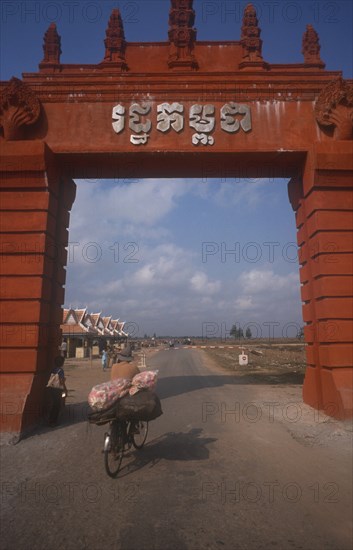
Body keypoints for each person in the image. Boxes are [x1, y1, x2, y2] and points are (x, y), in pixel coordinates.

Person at [47, 356, 68, 427]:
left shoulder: (53, 369)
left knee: (53, 404)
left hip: (51, 388)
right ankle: (53, 421)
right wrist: (65, 388)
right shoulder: (60, 370)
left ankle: (50, 420)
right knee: (57, 405)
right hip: (58, 389)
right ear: (62, 363)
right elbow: (61, 381)